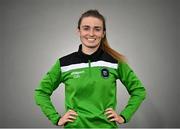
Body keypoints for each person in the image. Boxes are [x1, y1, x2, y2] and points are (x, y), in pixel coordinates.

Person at [34, 9, 146, 128]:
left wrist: (123, 116)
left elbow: (139, 91)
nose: (91, 34)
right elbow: (41, 93)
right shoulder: (64, 63)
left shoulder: (115, 62)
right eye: (86, 28)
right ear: (79, 31)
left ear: (103, 33)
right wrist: (56, 118)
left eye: (97, 29)